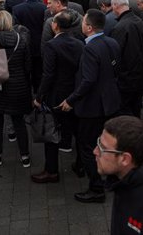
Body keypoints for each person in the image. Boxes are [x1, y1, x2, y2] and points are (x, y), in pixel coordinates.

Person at [60, 9, 121, 203]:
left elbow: (88, 80)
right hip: (110, 103)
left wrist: (71, 100)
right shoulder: (112, 42)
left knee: (87, 146)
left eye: (84, 21)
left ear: (88, 27)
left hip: (92, 107)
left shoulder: (90, 49)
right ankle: (111, 177)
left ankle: (96, 188)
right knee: (106, 143)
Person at [32, 11, 85, 183]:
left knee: (52, 133)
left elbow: (48, 74)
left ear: (55, 26)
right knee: (78, 130)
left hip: (55, 96)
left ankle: (51, 170)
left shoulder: (51, 46)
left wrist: (39, 97)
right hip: (74, 94)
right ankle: (81, 164)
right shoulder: (80, 43)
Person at [0, 11, 32, 168]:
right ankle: (25, 156)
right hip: (18, 86)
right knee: (19, 122)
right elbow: (27, 65)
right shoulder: (19, 39)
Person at [111, 0, 143, 117]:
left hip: (126, 79)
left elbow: (115, 55)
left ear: (116, 6)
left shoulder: (120, 27)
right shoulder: (139, 21)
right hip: (140, 76)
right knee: (136, 109)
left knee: (126, 113)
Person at [12, 0, 46, 90]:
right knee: (38, 73)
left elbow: (16, 28)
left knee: (25, 73)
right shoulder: (43, 8)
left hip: (23, 44)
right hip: (39, 44)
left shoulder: (17, 9)